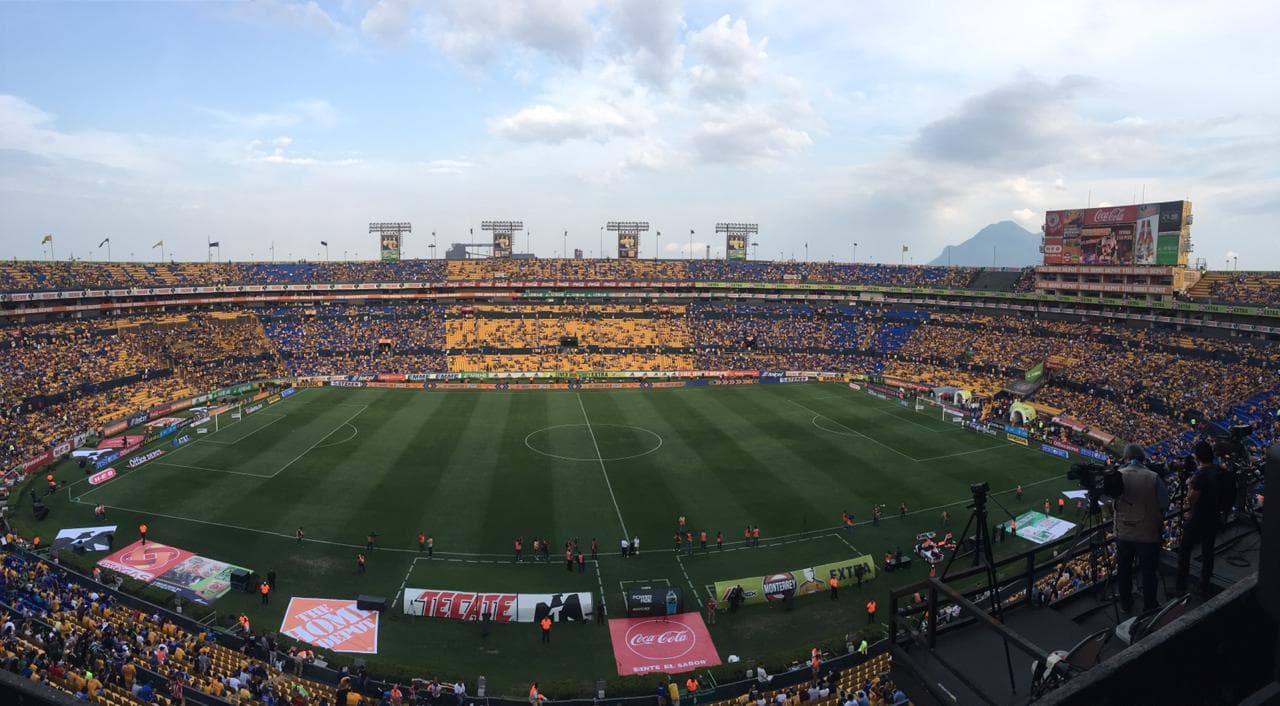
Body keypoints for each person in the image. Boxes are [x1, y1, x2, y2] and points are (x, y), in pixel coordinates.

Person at [1112, 444, 1170, 613]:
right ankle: (1149, 606)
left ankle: (1125, 603)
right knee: (1148, 571)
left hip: (1123, 533)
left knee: (1124, 570)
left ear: (1126, 458)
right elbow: (1164, 503)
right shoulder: (1153, 477)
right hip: (1147, 533)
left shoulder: (1118, 475)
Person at [1177, 440, 1221, 597]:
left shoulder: (1201, 475)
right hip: (1215, 516)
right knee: (1208, 551)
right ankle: (1204, 583)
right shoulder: (1218, 471)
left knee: (1184, 550)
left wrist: (1190, 484)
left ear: (1197, 457)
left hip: (1199, 517)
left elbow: (1191, 499)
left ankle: (1181, 586)